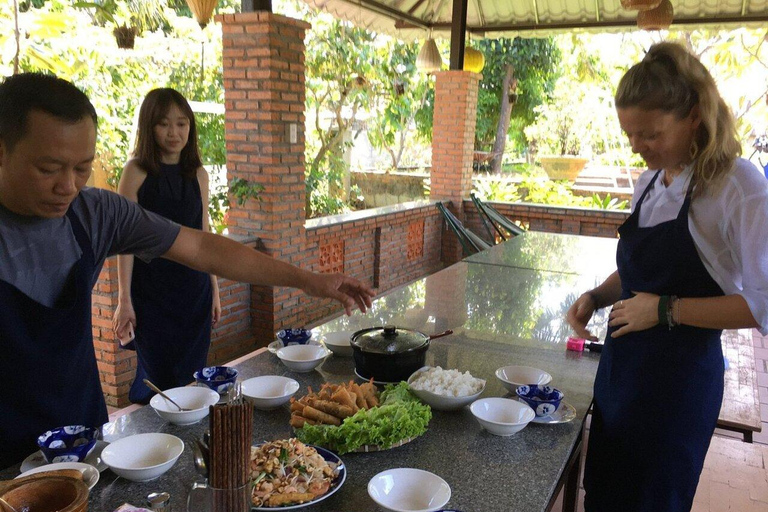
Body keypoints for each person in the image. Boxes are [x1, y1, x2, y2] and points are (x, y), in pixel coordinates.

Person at [0, 72, 374, 468]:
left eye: (82, 168)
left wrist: (309, 281)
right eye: (49, 169)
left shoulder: (95, 214)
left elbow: (200, 244)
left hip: (81, 436)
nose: (69, 186)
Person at [566, 42, 768, 512]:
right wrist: (596, 295)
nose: (637, 147)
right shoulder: (650, 183)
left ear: (693, 116)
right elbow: (638, 268)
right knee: (605, 497)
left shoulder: (738, 186)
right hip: (622, 377)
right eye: (630, 134)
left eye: (651, 134)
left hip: (677, 390)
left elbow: (761, 304)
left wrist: (663, 309)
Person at [113, 88, 221, 404]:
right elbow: (125, 238)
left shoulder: (199, 174)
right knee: (155, 383)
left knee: (191, 384)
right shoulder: (136, 172)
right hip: (151, 296)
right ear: (150, 127)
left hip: (194, 293)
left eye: (182, 123)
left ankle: (187, 448)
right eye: (164, 124)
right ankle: (156, 448)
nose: (174, 132)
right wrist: (124, 299)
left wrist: (214, 289)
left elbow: (205, 235)